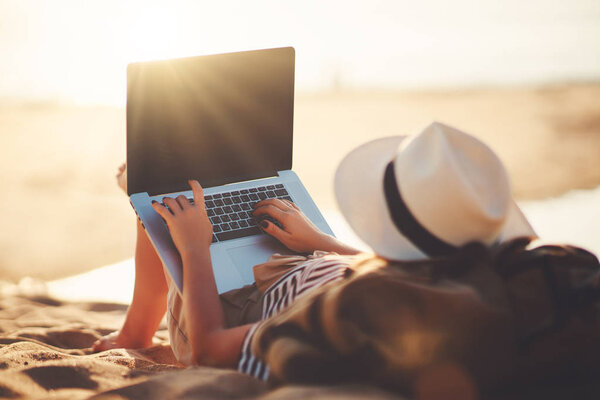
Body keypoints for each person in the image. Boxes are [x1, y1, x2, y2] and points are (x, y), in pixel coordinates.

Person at [92, 122, 536, 379]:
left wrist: (195, 246)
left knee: (158, 197)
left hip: (235, 306)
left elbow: (209, 349)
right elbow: (392, 272)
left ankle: (135, 331)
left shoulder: (351, 313)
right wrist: (320, 243)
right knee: (183, 188)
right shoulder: (468, 275)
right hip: (311, 262)